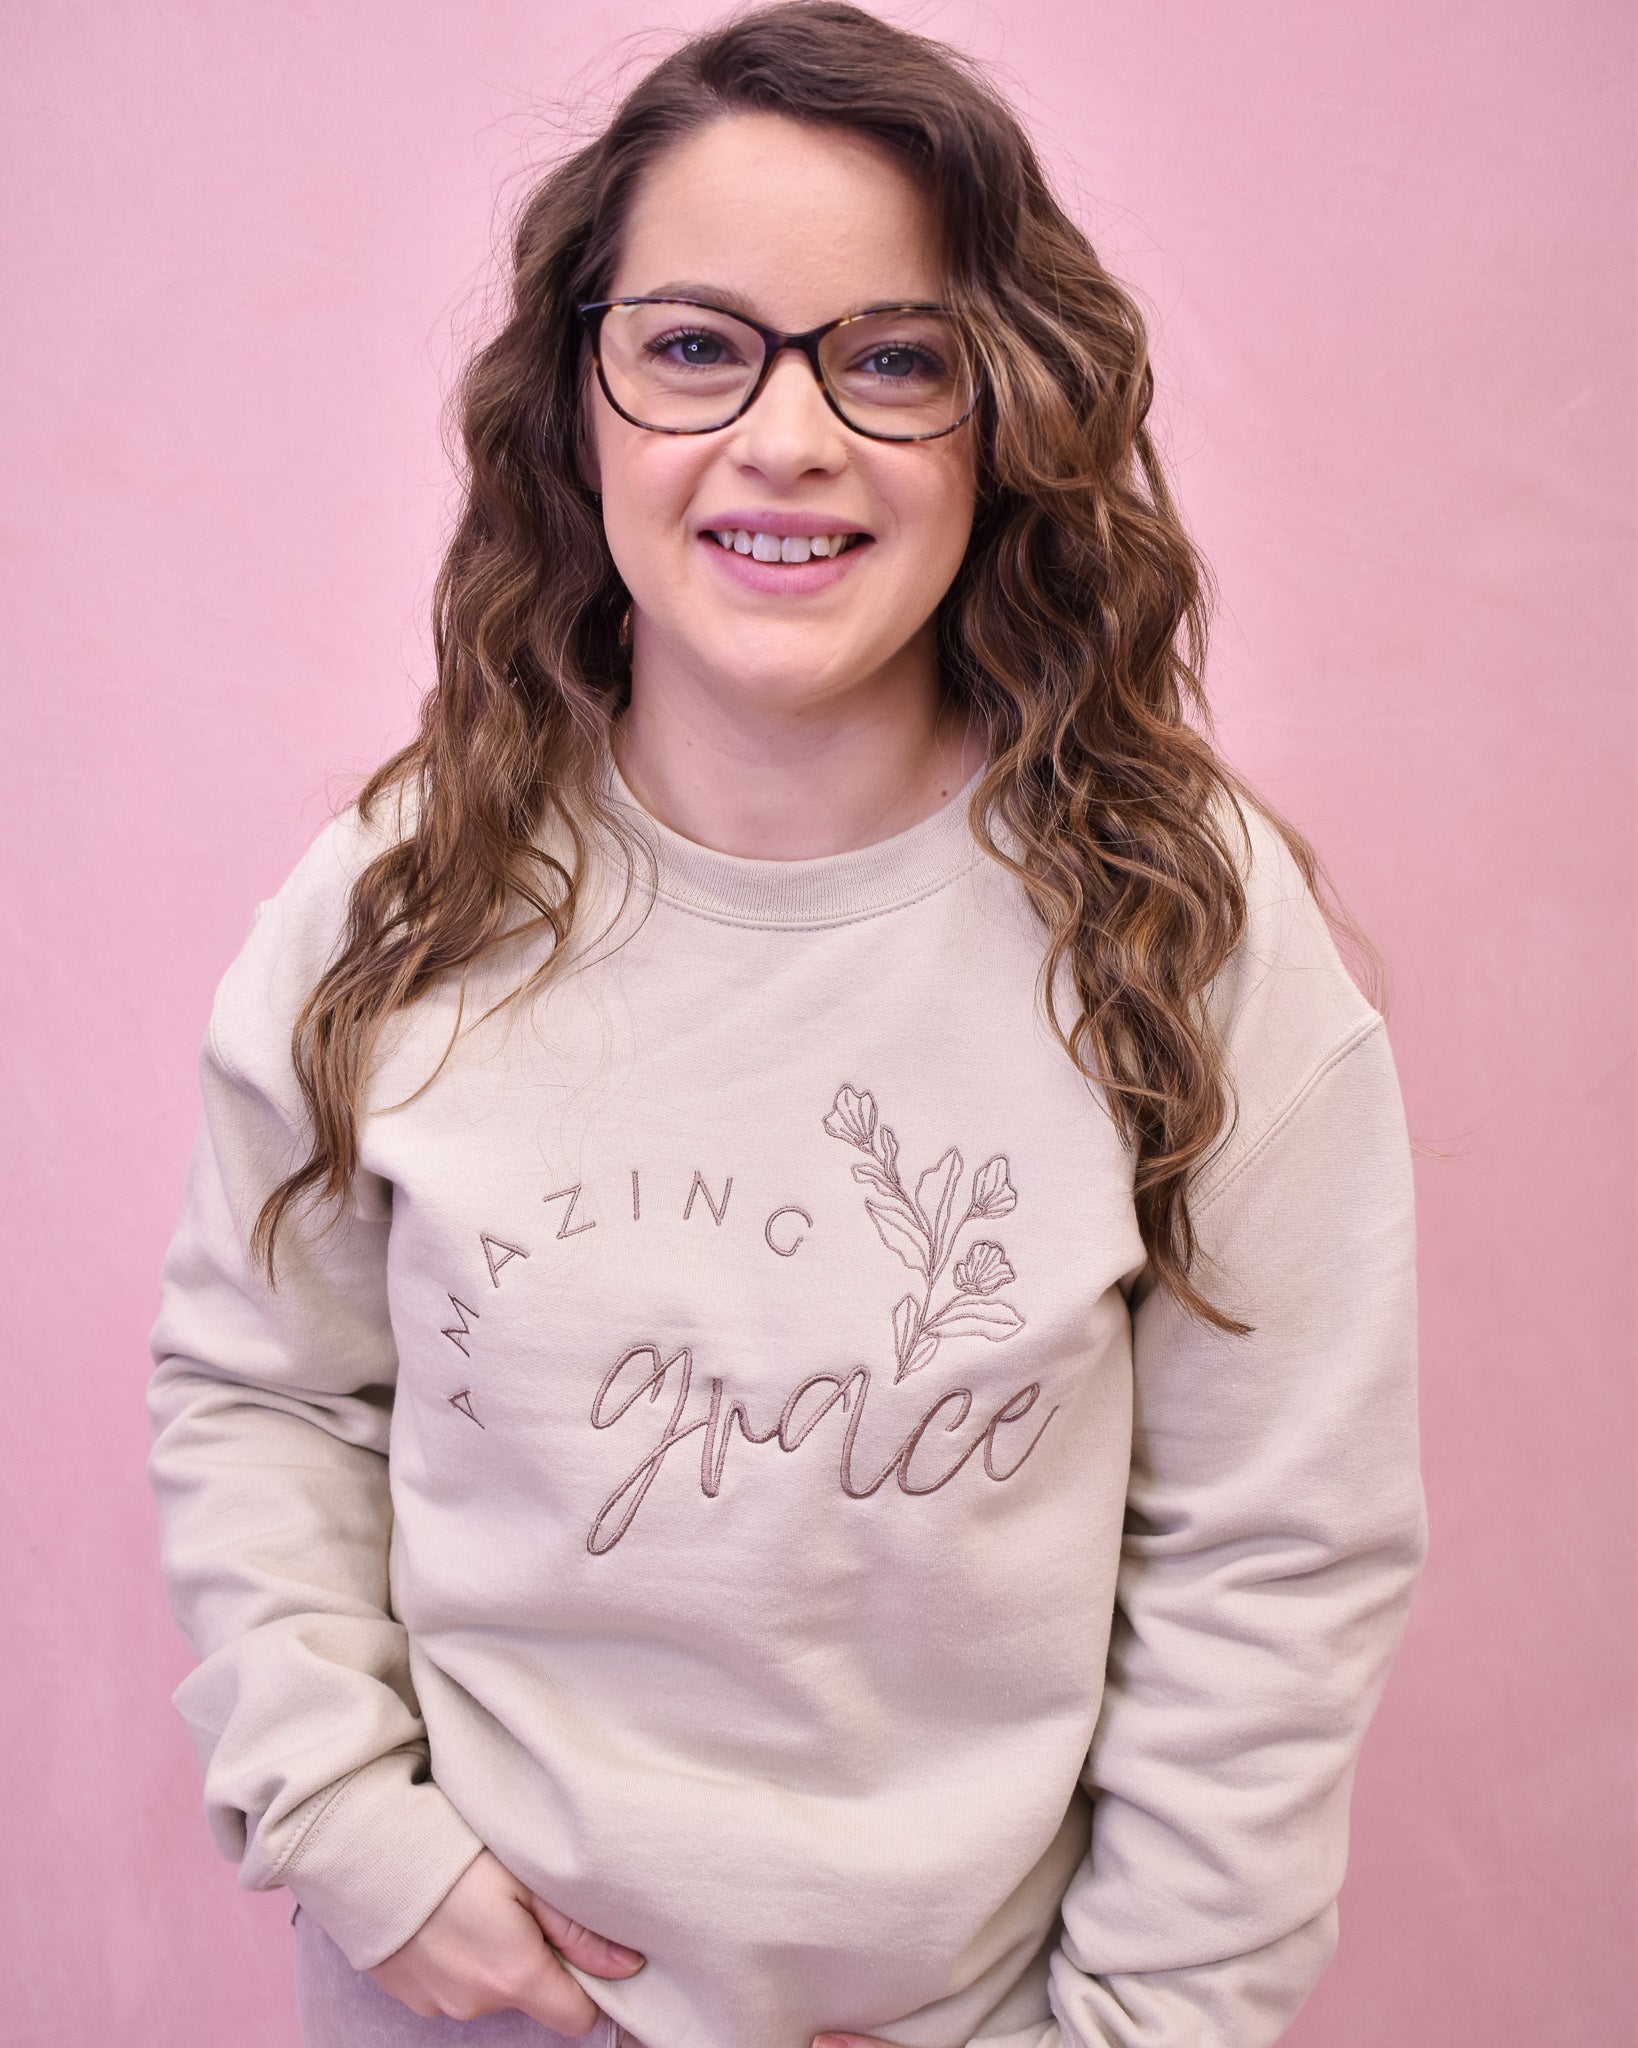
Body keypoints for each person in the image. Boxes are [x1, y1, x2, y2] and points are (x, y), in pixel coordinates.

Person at [144, 7, 1428, 2046]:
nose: (789, 437)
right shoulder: (395, 904)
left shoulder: (1185, 931)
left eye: (894, 356)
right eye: (693, 343)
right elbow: (264, 1390)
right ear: (579, 401)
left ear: (1007, 414)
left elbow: (1278, 1558)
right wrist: (357, 1838)